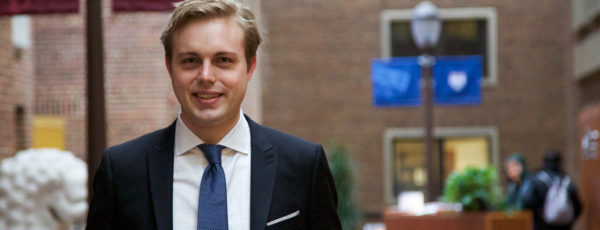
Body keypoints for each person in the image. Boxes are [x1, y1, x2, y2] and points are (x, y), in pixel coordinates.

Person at [85, 0, 342, 229]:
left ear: (250, 66)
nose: (206, 76)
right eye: (190, 61)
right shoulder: (121, 170)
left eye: (223, 60)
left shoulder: (302, 165)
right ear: (169, 67)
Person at [522, 150, 582, 230]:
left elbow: (528, 200)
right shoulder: (566, 180)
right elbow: (578, 206)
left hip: (542, 225)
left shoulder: (537, 180)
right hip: (565, 226)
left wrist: (540, 215)